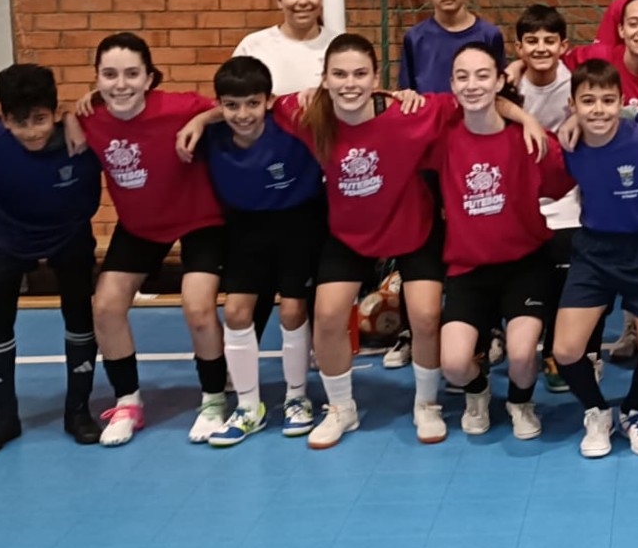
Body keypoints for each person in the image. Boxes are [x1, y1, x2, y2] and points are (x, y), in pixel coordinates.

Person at [281, 33, 511, 449]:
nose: (350, 83)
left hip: (413, 228)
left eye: (360, 74)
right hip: (349, 234)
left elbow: (478, 99)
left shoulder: (410, 113)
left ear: (376, 78)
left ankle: (427, 404)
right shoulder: (307, 115)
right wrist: (199, 120)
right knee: (329, 317)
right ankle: (340, 409)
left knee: (424, 317)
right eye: (339, 75)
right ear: (325, 79)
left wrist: (528, 121)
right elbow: (251, 105)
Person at [74, 33, 230, 448]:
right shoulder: (89, 116)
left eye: (131, 74)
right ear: (97, 79)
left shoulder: (178, 106)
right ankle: (128, 402)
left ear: (149, 78)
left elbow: (227, 108)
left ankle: (214, 398)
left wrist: (200, 120)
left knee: (197, 308)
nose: (120, 84)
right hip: (140, 225)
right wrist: (74, 115)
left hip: (200, 219)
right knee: (105, 305)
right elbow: (67, 118)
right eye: (109, 75)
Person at [178, 57, 325, 447]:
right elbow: (197, 115)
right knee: (238, 311)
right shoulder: (212, 138)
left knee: (294, 310)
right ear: (220, 105)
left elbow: (338, 102)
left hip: (300, 223)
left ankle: (297, 398)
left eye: (252, 104)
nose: (242, 114)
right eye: (231, 105)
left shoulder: (292, 123)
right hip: (246, 229)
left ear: (269, 101)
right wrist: (201, 120)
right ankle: (248, 407)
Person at [0, 64, 102, 456]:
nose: (33, 130)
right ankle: (3, 418)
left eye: (40, 119)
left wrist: (73, 115)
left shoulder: (84, 139)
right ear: (3, 118)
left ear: (55, 112)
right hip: (7, 239)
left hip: (70, 235)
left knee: (79, 317)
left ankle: (78, 411)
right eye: (19, 121)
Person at [434, 45, 572, 441]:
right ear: (452, 85)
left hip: (525, 265)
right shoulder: (442, 136)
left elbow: (568, 178)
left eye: (482, 76)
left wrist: (531, 121)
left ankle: (520, 400)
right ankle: (478, 392)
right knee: (455, 365)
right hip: (468, 268)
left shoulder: (529, 140)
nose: (472, 84)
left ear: (499, 82)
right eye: (462, 76)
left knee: (522, 355)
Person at [549, 60, 638, 458]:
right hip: (596, 252)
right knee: (567, 350)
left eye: (608, 100)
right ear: (572, 105)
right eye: (588, 101)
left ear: (622, 102)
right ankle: (596, 411)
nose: (598, 109)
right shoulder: (568, 146)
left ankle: (634, 412)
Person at [402, 0, 506, 94]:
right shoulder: (414, 38)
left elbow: (499, 92)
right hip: (430, 116)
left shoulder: (489, 35)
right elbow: (407, 94)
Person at [234, 0, 331, 97]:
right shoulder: (253, 46)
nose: (303, 1)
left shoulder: (340, 45)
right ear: (279, 0)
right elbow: (231, 101)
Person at [514, 3, 573, 133]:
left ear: (563, 46)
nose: (541, 49)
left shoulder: (573, 85)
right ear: (519, 48)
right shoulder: (512, 83)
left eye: (549, 41)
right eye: (532, 41)